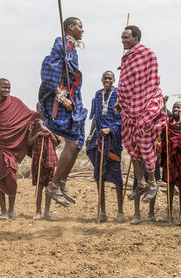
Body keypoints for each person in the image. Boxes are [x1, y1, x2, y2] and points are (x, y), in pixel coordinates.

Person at [39, 17, 88, 207]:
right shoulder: (60, 44)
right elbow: (48, 72)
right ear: (71, 27)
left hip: (73, 99)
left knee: (77, 143)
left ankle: (61, 182)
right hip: (61, 101)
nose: (83, 30)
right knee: (73, 141)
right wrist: (61, 97)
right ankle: (53, 186)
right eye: (80, 26)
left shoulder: (72, 47)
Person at [116, 25, 167, 204]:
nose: (123, 40)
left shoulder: (147, 54)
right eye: (122, 38)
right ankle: (141, 183)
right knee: (132, 147)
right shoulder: (127, 58)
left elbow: (149, 79)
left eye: (126, 38)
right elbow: (126, 80)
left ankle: (152, 183)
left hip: (145, 103)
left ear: (136, 38)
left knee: (146, 145)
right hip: (129, 107)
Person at [0, 79, 38, 219]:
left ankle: (11, 209)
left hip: (11, 147)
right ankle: (3, 211)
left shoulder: (15, 102)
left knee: (11, 176)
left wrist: (42, 114)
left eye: (9, 88)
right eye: (4, 87)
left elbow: (30, 115)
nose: (7, 90)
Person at [86, 71, 125, 223]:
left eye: (110, 78)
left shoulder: (119, 94)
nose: (107, 80)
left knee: (117, 175)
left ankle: (120, 212)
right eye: (105, 78)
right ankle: (102, 212)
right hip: (98, 138)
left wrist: (110, 129)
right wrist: (90, 135)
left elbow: (123, 117)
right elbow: (95, 116)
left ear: (114, 80)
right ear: (101, 80)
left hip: (112, 139)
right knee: (99, 175)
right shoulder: (97, 95)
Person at [27, 106, 60, 221]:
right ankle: (38, 211)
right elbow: (29, 142)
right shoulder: (33, 124)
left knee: (49, 186)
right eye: (41, 108)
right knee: (39, 186)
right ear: (38, 110)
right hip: (38, 157)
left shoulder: (52, 124)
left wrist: (50, 134)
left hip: (50, 158)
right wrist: (38, 134)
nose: (44, 110)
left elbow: (57, 143)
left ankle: (47, 212)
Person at [160, 100, 181, 226]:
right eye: (174, 107)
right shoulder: (168, 123)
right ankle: (169, 213)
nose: (176, 109)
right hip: (169, 159)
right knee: (169, 187)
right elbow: (162, 137)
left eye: (179, 107)